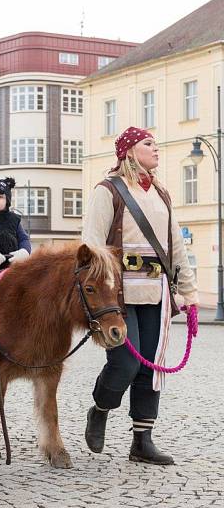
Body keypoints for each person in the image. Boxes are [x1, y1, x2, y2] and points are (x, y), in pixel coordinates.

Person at [82, 127, 198, 466]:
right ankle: (100, 409)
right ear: (130, 151)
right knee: (126, 362)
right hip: (118, 293)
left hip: (157, 290)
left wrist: (188, 292)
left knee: (153, 365)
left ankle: (142, 441)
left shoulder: (161, 192)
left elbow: (176, 246)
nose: (156, 149)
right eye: (149, 144)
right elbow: (91, 245)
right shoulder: (108, 190)